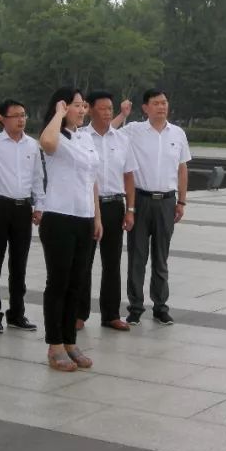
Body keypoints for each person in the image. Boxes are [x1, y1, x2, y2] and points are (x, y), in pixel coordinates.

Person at [38, 87, 101, 371]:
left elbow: (92, 180)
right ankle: (55, 345)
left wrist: (97, 217)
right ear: (62, 107)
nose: (82, 110)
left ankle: (70, 341)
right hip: (59, 217)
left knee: (77, 283)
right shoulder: (56, 135)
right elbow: (47, 143)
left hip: (84, 217)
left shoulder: (85, 137)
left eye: (83, 105)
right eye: (76, 105)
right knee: (58, 283)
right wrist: (58, 114)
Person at [115, 89, 191, 326]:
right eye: (156, 103)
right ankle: (135, 308)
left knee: (161, 257)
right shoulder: (134, 130)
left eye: (164, 102)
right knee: (137, 257)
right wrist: (122, 114)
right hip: (140, 200)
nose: (161, 106)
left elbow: (182, 169)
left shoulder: (177, 133)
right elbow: (108, 132)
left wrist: (181, 201)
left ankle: (160, 307)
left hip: (167, 202)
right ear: (145, 108)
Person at [0, 99, 42, 333]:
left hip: (22, 208)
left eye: (23, 115)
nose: (21, 119)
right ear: (3, 119)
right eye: (15, 115)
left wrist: (39, 205)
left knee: (19, 265)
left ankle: (16, 313)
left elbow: (37, 178)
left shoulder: (32, 145)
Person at [77, 90, 137, 332]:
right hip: (88, 206)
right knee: (84, 262)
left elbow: (129, 176)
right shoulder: (80, 137)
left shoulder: (122, 139)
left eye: (110, 109)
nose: (107, 113)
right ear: (90, 110)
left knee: (112, 262)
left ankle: (111, 314)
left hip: (114, 205)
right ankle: (79, 314)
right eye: (102, 108)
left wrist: (130, 209)